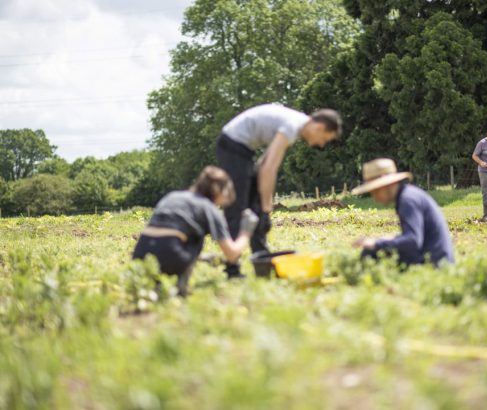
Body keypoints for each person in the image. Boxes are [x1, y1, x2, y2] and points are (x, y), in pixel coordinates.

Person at [216, 103, 342, 278]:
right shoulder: (292, 126)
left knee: (255, 205)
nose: (321, 144)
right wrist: (267, 206)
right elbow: (269, 169)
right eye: (325, 138)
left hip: (242, 149)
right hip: (232, 145)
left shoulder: (295, 124)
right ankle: (232, 268)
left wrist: (261, 205)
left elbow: (263, 164)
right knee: (237, 206)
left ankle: (263, 259)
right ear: (319, 127)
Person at [132, 166, 259, 296]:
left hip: (140, 256)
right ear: (218, 190)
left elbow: (163, 237)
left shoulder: (173, 196)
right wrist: (246, 231)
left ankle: (155, 285)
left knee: (184, 235)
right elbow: (232, 255)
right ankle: (180, 288)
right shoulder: (209, 208)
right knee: (197, 236)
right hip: (171, 256)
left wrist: (202, 257)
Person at [351, 158, 454, 268]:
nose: (375, 198)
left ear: (387, 185)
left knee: (370, 253)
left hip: (435, 263)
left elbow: (413, 241)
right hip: (434, 256)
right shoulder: (407, 195)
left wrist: (376, 244)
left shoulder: (407, 200)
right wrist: (392, 239)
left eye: (376, 191)